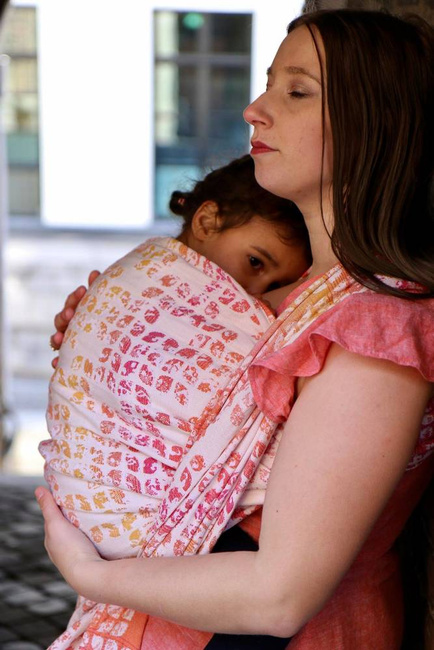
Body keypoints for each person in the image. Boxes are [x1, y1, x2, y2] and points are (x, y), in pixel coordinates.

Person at [36, 8, 434, 650]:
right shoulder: (292, 297)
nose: (255, 108)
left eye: (296, 91)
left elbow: (279, 596)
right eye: (269, 83)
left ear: (374, 125)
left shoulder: (378, 329)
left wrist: (89, 572)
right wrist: (115, 346)